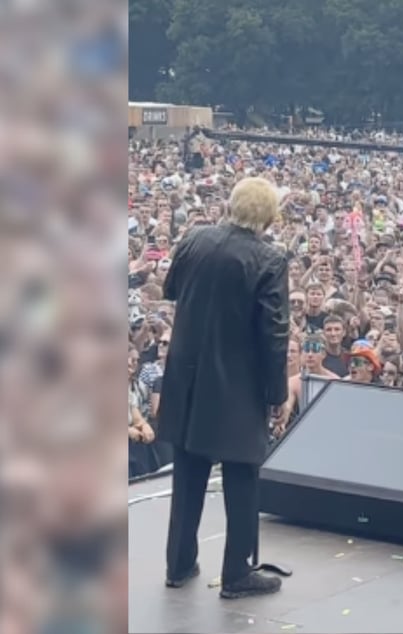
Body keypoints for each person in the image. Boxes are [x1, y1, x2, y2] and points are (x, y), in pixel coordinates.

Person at [158, 177, 290, 599]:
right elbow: (274, 334)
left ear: (230, 205)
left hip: (186, 377)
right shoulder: (270, 259)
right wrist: (276, 393)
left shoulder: (195, 238)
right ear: (270, 217)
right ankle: (237, 572)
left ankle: (178, 565)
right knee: (242, 475)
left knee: (188, 472)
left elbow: (171, 289)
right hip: (236, 384)